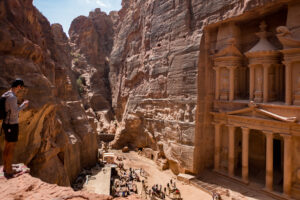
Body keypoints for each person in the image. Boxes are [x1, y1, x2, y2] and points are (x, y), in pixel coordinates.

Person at [2, 79, 29, 178]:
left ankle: (6, 167)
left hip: (6, 124)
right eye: (21, 87)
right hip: (12, 125)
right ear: (18, 86)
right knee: (11, 147)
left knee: (7, 146)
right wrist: (23, 105)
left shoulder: (6, 94)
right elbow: (15, 112)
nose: (20, 89)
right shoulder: (12, 97)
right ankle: (9, 169)